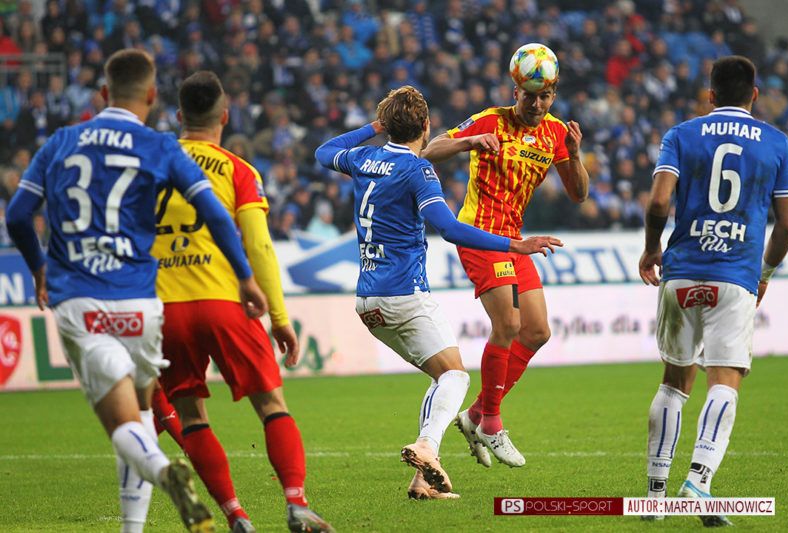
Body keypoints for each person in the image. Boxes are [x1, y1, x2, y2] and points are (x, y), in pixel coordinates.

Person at [6, 49, 268, 533]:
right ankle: (133, 528)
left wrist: (39, 268)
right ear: (150, 95)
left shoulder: (62, 141)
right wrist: (245, 276)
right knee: (142, 414)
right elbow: (214, 213)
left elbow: (19, 215)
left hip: (81, 298)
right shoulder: (159, 146)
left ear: (103, 93)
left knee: (124, 424)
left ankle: (164, 470)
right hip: (142, 305)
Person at [315, 85, 563, 498]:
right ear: (427, 126)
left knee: (442, 378)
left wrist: (374, 127)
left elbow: (325, 151)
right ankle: (427, 447)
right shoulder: (418, 170)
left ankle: (423, 480)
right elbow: (448, 228)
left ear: (387, 125)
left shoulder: (363, 158)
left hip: (367, 300)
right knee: (454, 377)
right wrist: (514, 245)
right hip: (403, 294)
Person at [151, 71, 333, 533]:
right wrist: (279, 317)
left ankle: (236, 515)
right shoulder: (237, 170)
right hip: (225, 301)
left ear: (179, 116)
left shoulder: (149, 168)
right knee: (271, 405)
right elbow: (259, 247)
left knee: (191, 416)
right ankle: (296, 504)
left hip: (165, 308)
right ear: (225, 117)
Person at [639, 55, 788, 526]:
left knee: (674, 381)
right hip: (735, 275)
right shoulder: (777, 143)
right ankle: (699, 481)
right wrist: (764, 273)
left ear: (710, 95)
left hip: (682, 271)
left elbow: (659, 201)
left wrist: (651, 248)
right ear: (754, 94)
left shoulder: (681, 135)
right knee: (724, 379)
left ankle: (655, 494)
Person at [421, 47, 590, 468]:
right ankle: (492, 424)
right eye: (529, 96)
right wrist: (469, 142)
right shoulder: (491, 120)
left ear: (553, 95)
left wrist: (575, 154)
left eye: (544, 96)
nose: (537, 104)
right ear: (515, 91)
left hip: (515, 240)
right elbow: (430, 150)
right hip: (480, 235)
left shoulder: (555, 133)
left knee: (537, 331)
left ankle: (475, 414)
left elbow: (579, 194)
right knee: (509, 325)